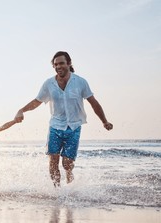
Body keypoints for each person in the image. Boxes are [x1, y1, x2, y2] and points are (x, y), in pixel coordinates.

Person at [15, 51, 113, 187]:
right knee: (53, 161)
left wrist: (104, 121)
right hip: (55, 127)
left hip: (74, 127)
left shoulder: (80, 82)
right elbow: (37, 101)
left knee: (67, 164)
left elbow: (93, 102)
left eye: (61, 63)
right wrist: (21, 110)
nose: (58, 66)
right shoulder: (49, 84)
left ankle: (70, 187)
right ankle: (57, 191)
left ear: (69, 63)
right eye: (55, 64)